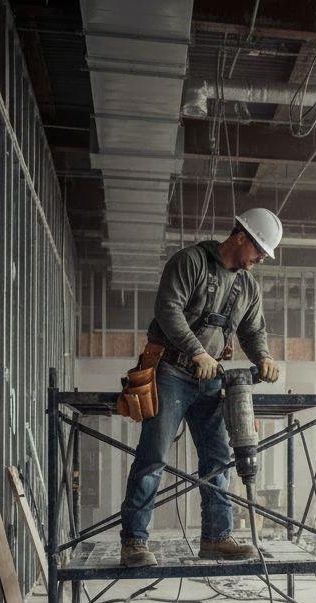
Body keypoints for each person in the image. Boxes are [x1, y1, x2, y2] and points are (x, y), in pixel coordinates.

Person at [119, 208, 283, 567]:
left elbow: (252, 331)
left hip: (210, 380)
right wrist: (195, 351)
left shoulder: (248, 285)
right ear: (240, 236)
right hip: (170, 372)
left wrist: (264, 357)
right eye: (258, 251)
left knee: (218, 460)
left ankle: (216, 538)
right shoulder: (190, 262)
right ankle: (133, 542)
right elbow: (168, 309)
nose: (260, 259)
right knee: (153, 458)